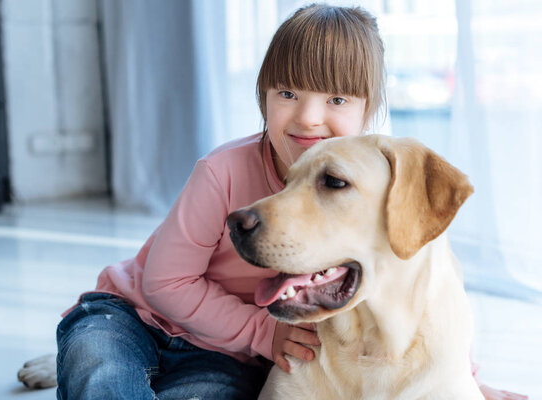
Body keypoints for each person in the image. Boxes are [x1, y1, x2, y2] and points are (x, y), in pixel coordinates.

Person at [56, 4, 527, 400]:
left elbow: (430, 293)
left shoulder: (382, 183)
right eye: (287, 93)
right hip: (136, 315)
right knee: (98, 368)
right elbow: (164, 281)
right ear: (262, 96)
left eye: (337, 98)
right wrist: (264, 333)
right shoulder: (220, 171)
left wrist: (469, 383)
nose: (308, 117)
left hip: (224, 349)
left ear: (368, 110)